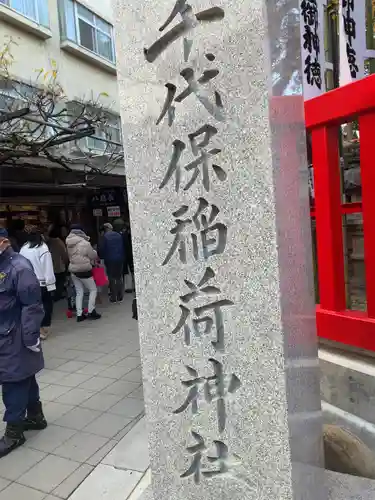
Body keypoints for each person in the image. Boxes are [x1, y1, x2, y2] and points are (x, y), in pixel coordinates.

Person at [0, 228, 47, 458]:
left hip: (15, 336)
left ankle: (14, 431)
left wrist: (30, 337)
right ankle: (36, 416)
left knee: (13, 380)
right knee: (25, 375)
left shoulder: (19, 267)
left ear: (4, 242)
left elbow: (32, 305)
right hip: (5, 333)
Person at [20, 226, 56, 340]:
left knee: (31, 307)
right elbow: (48, 267)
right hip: (41, 282)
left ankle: (35, 329)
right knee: (45, 306)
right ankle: (40, 329)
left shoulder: (23, 248)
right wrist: (51, 284)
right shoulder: (42, 248)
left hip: (26, 281)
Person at [66, 225, 101, 322]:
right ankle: (91, 311)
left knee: (79, 292)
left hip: (73, 270)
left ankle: (79, 314)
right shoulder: (85, 243)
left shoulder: (68, 242)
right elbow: (92, 255)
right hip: (84, 270)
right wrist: (94, 251)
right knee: (93, 289)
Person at [99, 223, 124, 303]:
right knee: (119, 276)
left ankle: (113, 296)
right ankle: (120, 295)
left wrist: (101, 256)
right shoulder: (118, 235)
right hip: (120, 258)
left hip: (109, 259)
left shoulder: (104, 237)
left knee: (111, 277)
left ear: (105, 229)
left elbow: (102, 248)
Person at [113, 219, 135, 293]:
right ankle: (128, 287)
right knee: (127, 271)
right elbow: (127, 247)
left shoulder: (113, 235)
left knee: (119, 273)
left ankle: (117, 288)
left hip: (116, 256)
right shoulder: (124, 235)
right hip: (125, 255)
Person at [47, 226, 69, 302]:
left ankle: (52, 294)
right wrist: (66, 263)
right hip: (58, 266)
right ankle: (57, 295)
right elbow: (64, 255)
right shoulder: (59, 242)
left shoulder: (47, 242)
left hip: (49, 265)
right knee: (60, 281)